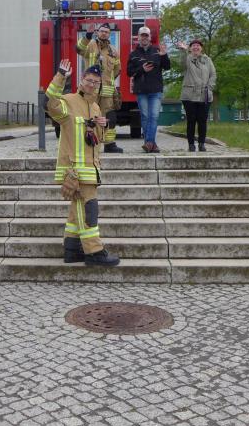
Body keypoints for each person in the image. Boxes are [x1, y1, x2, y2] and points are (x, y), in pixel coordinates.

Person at [45, 58, 120, 266]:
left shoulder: (95, 107)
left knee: (76, 209)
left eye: (96, 82)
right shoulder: (68, 101)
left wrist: (102, 126)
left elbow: (98, 140)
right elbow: (49, 104)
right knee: (89, 209)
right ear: (81, 81)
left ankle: (72, 249)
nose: (92, 85)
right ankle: (94, 252)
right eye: (89, 80)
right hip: (75, 170)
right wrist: (60, 76)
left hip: (90, 168)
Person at [76, 23, 123, 153]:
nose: (104, 33)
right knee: (87, 115)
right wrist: (87, 35)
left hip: (107, 92)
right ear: (97, 32)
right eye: (102, 31)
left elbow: (117, 69)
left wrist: (108, 81)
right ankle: (86, 142)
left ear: (109, 34)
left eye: (106, 32)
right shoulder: (90, 45)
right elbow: (78, 49)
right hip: (91, 90)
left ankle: (109, 144)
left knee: (110, 117)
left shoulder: (114, 51)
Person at [127, 26, 170, 153]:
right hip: (141, 91)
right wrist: (142, 69)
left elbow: (167, 67)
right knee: (145, 117)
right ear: (138, 37)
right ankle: (152, 144)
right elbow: (129, 72)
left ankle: (149, 143)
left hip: (155, 90)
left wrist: (164, 56)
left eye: (146, 35)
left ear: (150, 37)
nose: (144, 38)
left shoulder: (158, 51)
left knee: (154, 116)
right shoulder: (133, 54)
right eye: (142, 35)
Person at [178, 39, 217, 151]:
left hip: (204, 95)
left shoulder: (207, 60)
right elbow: (182, 64)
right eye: (193, 45)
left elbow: (213, 74)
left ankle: (201, 143)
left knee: (202, 121)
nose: (196, 47)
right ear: (190, 48)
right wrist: (183, 51)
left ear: (201, 48)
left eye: (198, 45)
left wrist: (209, 87)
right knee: (191, 120)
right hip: (189, 96)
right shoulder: (187, 58)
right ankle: (191, 144)